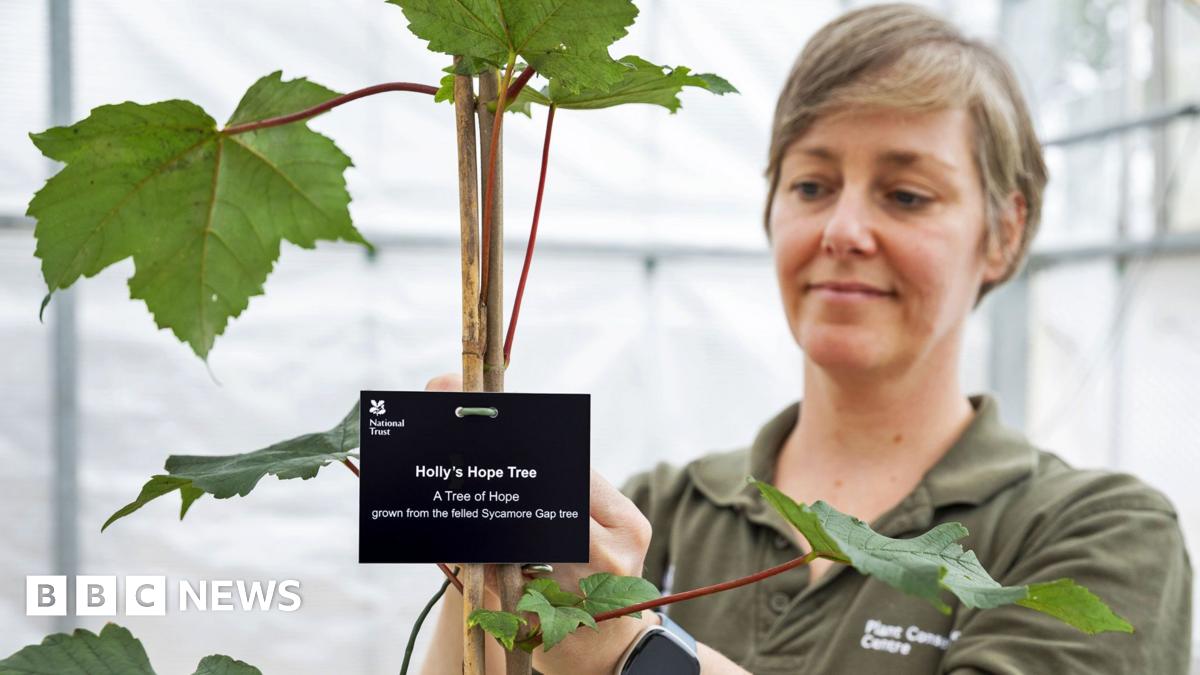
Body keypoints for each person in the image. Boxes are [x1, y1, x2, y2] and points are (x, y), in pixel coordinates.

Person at [419, 4, 1192, 674]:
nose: (844, 230)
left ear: (1004, 231)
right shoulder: (663, 511)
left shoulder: (1095, 533)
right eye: (813, 185)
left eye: (907, 194)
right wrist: (482, 559)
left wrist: (635, 654)